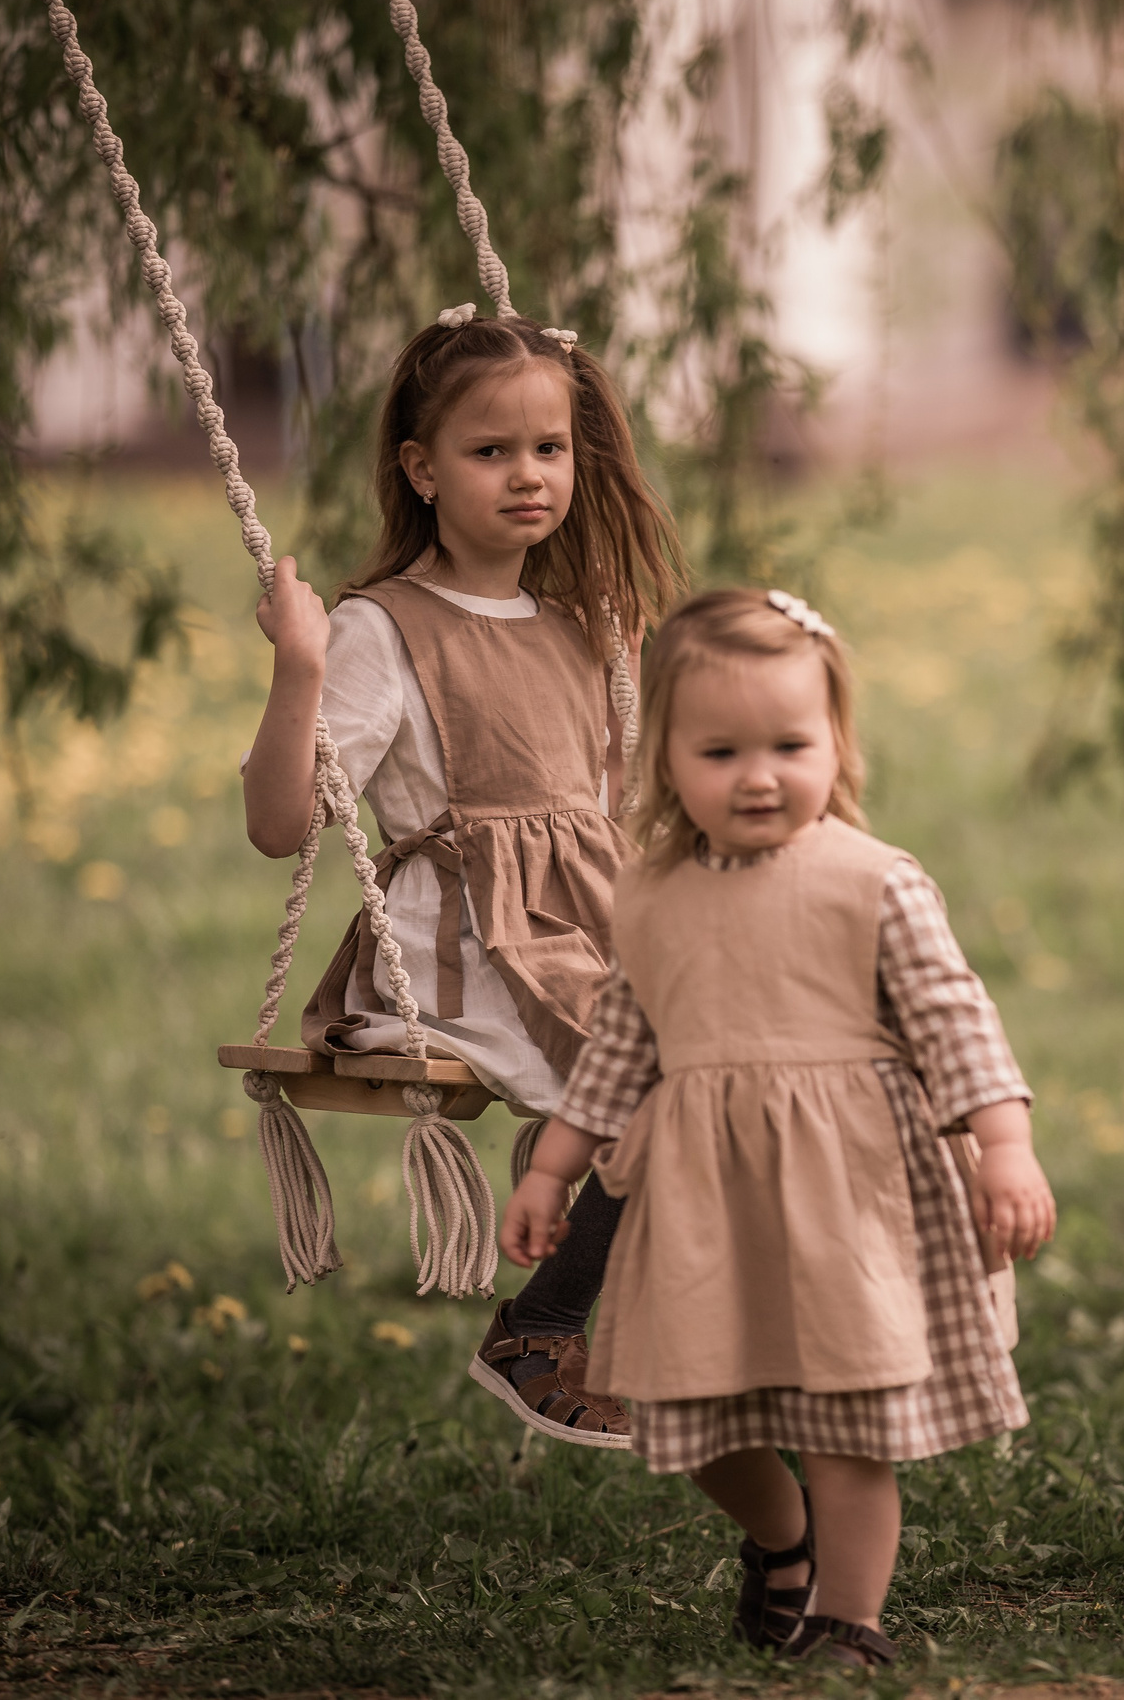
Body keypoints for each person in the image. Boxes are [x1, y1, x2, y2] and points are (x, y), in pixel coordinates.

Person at [500, 588, 1053, 1667]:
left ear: (835, 742)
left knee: (843, 1422)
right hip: (706, 1201)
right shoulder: (652, 895)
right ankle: (780, 1539)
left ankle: (851, 1621)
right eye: (720, 751)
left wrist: (1007, 1146)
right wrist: (551, 1174)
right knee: (688, 1407)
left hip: (847, 1195)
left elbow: (957, 1026)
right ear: (664, 760)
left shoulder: (872, 882)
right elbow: (621, 1046)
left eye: (789, 745)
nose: (759, 775)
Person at [243, 307, 685, 1449]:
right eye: (491, 452)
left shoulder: (583, 624)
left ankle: (658, 1306)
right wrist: (300, 664)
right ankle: (538, 1334)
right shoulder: (381, 629)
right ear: (421, 469)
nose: (528, 476)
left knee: (737, 1060)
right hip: (469, 944)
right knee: (660, 1095)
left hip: (586, 927)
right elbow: (280, 822)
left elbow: (600, 819)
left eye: (549, 449)